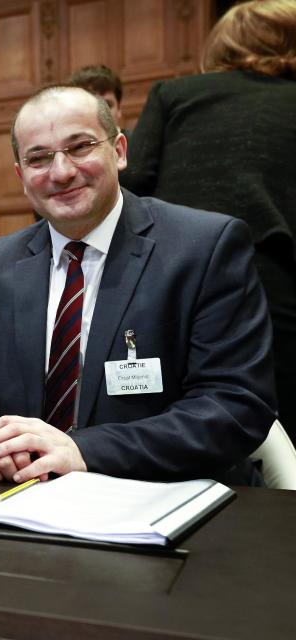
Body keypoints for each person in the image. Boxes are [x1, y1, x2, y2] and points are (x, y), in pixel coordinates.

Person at [0, 85, 276, 485]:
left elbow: (234, 404)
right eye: (39, 158)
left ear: (119, 150)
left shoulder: (204, 248)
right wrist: (0, 447)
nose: (60, 172)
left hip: (168, 499)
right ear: (21, 176)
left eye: (80, 147)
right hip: (24, 500)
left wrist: (82, 450)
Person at [121, 0, 296, 441]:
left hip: (172, 276)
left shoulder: (174, 95)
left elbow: (132, 184)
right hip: (276, 278)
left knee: (176, 418)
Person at [69, 63, 126, 133]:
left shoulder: (138, 142)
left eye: (107, 105)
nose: (100, 115)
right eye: (88, 105)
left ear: (119, 109)